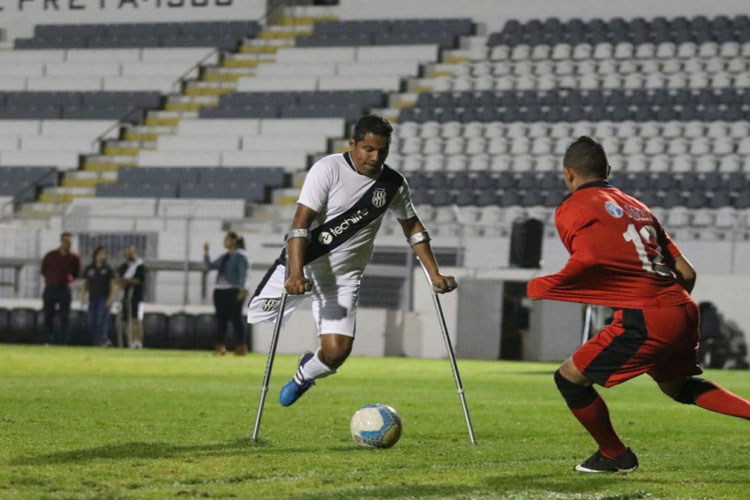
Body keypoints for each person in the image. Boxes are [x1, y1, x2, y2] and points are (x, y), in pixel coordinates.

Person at [527, 136, 750, 473]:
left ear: (568, 173)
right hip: (682, 307)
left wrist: (541, 286)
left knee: (569, 378)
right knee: (678, 387)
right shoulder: (638, 207)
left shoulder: (574, 206)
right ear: (608, 169)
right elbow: (687, 272)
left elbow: (590, 260)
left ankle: (614, 455)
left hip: (646, 315)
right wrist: (668, 305)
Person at [248, 113, 457, 407]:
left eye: (382, 151)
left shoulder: (393, 183)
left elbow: (413, 227)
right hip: (306, 266)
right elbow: (300, 224)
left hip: (344, 278)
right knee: (256, 315)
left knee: (336, 353)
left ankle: (303, 375)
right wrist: (294, 274)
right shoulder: (327, 169)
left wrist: (434, 275)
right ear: (352, 144)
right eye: (368, 149)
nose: (375, 157)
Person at [204, 232, 250, 356]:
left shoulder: (241, 255)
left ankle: (241, 346)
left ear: (234, 241)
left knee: (236, 318)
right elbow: (210, 266)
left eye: (227, 239)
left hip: (233, 289)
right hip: (220, 289)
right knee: (220, 319)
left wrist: (243, 289)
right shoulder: (224, 256)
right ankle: (220, 346)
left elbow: (243, 273)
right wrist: (206, 253)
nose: (224, 242)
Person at [40, 232, 81, 344]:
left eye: (70, 242)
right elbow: (43, 270)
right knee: (48, 314)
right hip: (51, 288)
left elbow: (76, 272)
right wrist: (51, 278)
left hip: (65, 289)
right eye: (66, 241)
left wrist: (69, 279)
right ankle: (48, 340)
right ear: (61, 241)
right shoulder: (50, 255)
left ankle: (63, 341)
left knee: (65, 316)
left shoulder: (74, 257)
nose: (68, 244)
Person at [79, 246, 118, 347]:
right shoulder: (89, 269)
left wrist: (111, 299)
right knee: (92, 322)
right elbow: (84, 284)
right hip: (92, 298)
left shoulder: (108, 269)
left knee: (102, 321)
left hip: (104, 299)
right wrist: (83, 297)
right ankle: (96, 342)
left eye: (103, 254)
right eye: (99, 254)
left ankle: (104, 340)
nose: (101, 256)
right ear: (95, 256)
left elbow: (113, 285)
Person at [117, 245, 146, 349]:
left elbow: (138, 280)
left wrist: (127, 281)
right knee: (127, 320)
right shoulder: (123, 267)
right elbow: (120, 281)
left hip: (138, 297)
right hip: (126, 297)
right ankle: (130, 341)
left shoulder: (140, 266)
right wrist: (126, 281)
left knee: (137, 320)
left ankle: (138, 341)